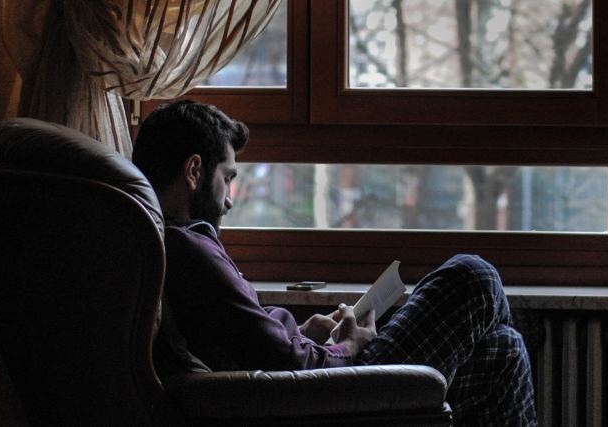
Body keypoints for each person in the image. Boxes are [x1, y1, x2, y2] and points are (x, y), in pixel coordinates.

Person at [132, 100, 536, 426]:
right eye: (228, 178)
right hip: (322, 399)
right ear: (194, 170)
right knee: (473, 277)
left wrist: (300, 331)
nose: (229, 200)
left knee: (502, 351)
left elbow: (246, 338)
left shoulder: (167, 246)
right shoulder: (188, 248)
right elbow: (284, 362)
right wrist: (350, 345)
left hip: (306, 389)